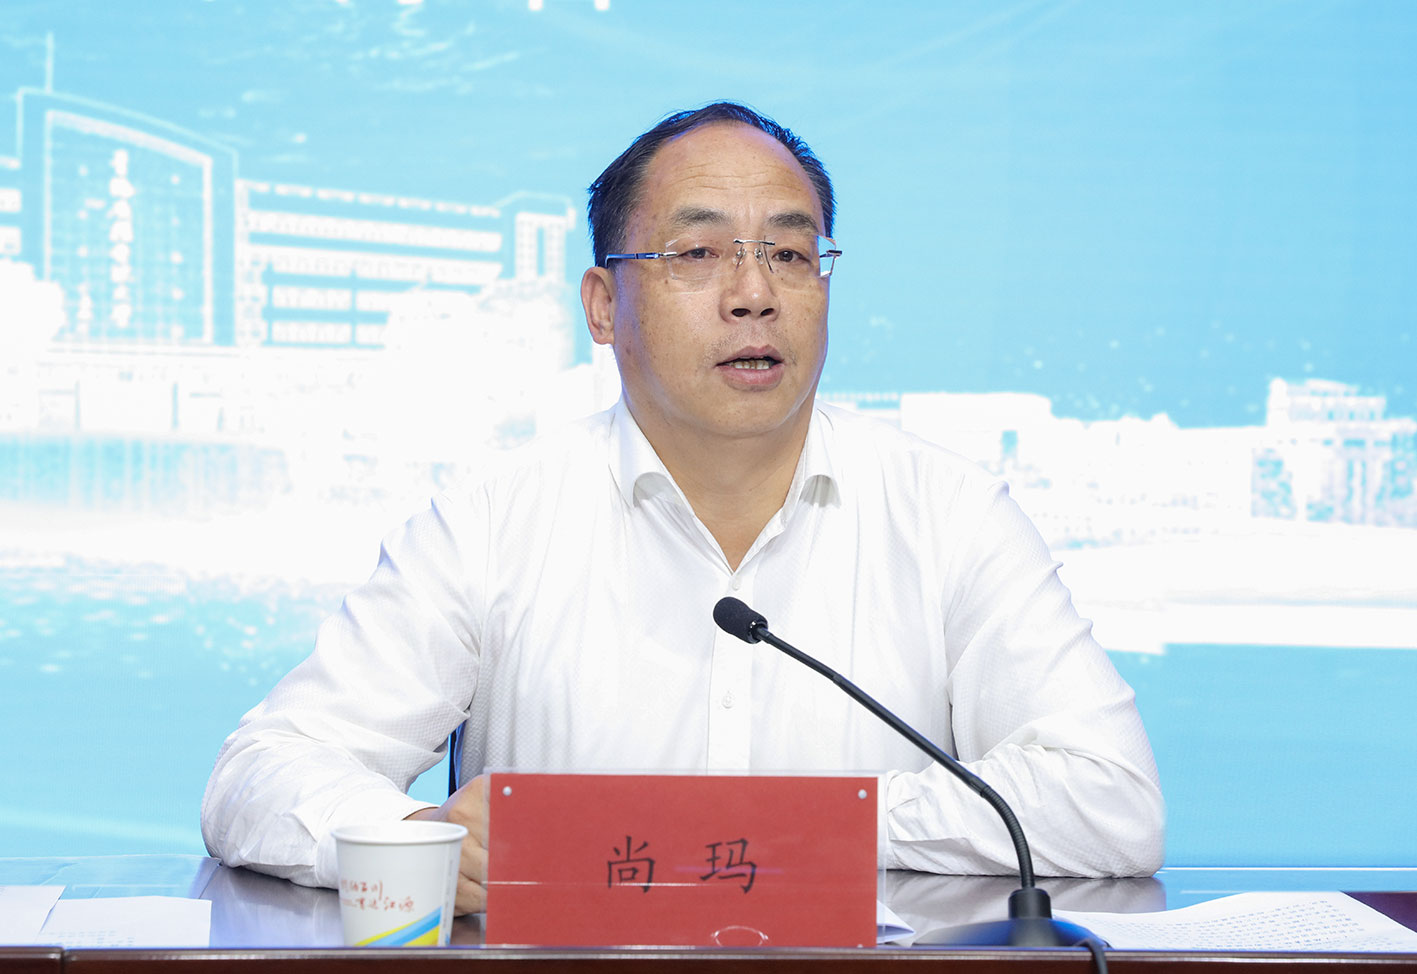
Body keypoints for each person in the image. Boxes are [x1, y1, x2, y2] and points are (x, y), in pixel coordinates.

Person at [202, 102, 1164, 915]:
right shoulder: (491, 521)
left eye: (789, 253)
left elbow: (1109, 802)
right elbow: (261, 773)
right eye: (698, 253)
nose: (754, 294)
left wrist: (795, 830)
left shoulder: (950, 515)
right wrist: (415, 841)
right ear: (602, 306)